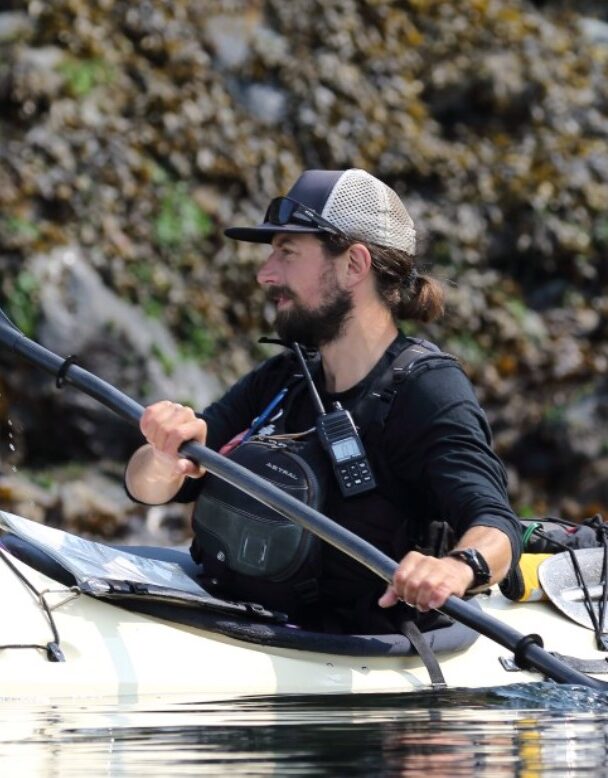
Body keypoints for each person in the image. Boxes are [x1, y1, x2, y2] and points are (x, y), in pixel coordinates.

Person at [124, 168, 521, 632]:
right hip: (248, 619)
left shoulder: (427, 392)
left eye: (287, 253)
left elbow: (496, 526)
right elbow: (148, 488)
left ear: (354, 265)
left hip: (356, 653)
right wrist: (162, 453)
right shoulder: (287, 376)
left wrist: (456, 568)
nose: (264, 274)